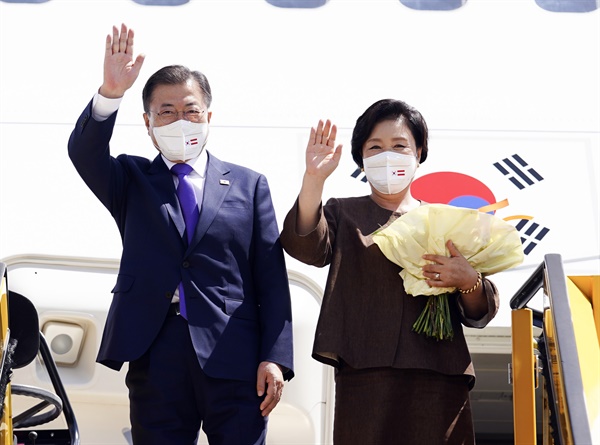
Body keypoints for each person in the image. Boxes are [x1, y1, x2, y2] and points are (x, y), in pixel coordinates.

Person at [67, 24, 294, 445]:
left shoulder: (249, 184)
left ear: (209, 116)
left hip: (235, 353)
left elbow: (271, 281)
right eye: (165, 111)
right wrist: (110, 92)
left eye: (190, 109)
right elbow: (84, 153)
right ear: (148, 124)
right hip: (156, 348)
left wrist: (274, 358)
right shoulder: (131, 179)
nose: (180, 119)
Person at [280, 99, 499, 444]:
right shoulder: (344, 212)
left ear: (419, 152)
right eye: (376, 147)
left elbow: (480, 311)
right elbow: (305, 245)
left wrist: (468, 281)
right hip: (365, 376)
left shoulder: (448, 220)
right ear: (362, 158)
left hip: (439, 375)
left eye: (399, 146)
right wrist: (314, 180)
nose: (388, 155)